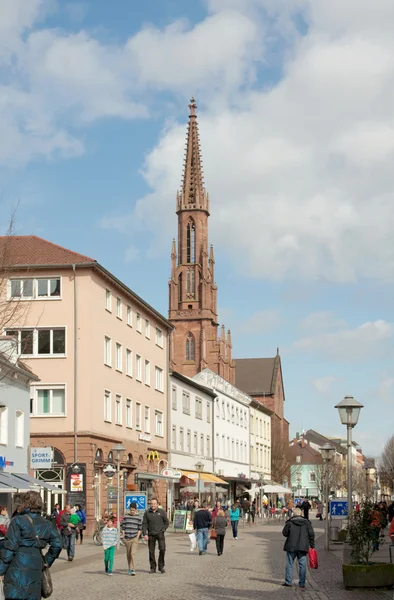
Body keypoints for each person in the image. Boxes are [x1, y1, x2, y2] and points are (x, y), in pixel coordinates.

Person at [0, 491, 62, 600]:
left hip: (18, 562)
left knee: (16, 593)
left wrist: (1, 569)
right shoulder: (46, 523)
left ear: (25, 503)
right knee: (33, 594)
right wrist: (47, 561)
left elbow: (10, 547)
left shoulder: (18, 520)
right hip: (37, 562)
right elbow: (57, 544)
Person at [282, 506, 315, 589]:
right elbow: (311, 534)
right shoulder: (307, 523)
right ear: (301, 514)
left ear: (293, 514)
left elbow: (285, 533)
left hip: (291, 546)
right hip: (302, 546)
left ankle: (288, 582)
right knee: (302, 565)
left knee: (289, 564)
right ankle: (302, 583)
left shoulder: (290, 522)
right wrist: (312, 545)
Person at [142, 498, 169, 574]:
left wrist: (163, 530)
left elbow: (166, 523)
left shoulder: (162, 512)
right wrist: (145, 534)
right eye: (151, 504)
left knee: (162, 549)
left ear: (157, 504)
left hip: (160, 534)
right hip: (151, 534)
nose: (153, 505)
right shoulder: (147, 513)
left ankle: (161, 566)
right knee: (151, 551)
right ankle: (153, 567)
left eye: (154, 503)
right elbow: (144, 524)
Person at [121, 502, 142, 575]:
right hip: (127, 538)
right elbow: (123, 526)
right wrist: (123, 533)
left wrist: (137, 536)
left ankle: (133, 569)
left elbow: (140, 528)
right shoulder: (126, 517)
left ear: (135, 510)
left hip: (134, 538)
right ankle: (129, 568)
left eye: (133, 510)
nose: (132, 511)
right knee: (128, 554)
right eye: (131, 510)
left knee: (133, 553)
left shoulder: (138, 517)